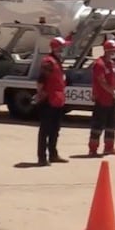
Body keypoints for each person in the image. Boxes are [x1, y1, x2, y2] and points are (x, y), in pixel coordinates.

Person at [34, 36, 68, 165]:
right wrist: (41, 94)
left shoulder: (57, 61)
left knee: (55, 129)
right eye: (62, 47)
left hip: (58, 99)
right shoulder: (48, 62)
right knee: (45, 130)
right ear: (56, 48)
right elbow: (41, 80)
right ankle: (42, 157)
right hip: (48, 100)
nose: (64, 49)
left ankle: (53, 154)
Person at [89, 38, 115, 157]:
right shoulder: (99, 64)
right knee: (98, 125)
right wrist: (111, 92)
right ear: (108, 50)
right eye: (114, 49)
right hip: (102, 99)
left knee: (111, 124)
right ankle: (93, 149)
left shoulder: (111, 63)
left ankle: (109, 147)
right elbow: (101, 81)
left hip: (111, 99)